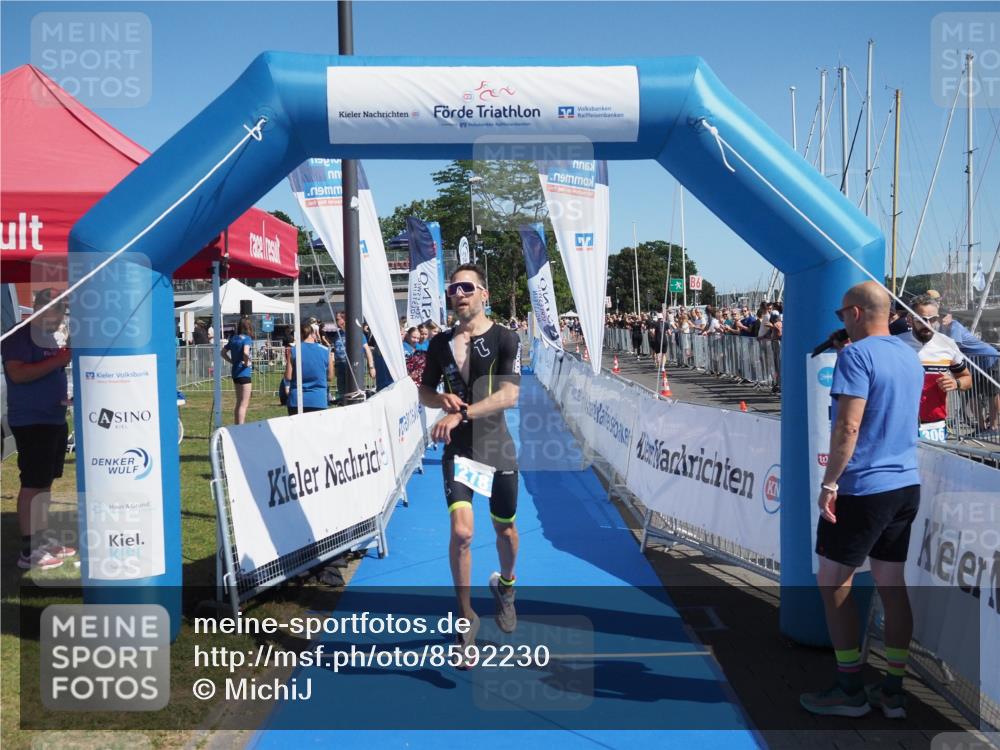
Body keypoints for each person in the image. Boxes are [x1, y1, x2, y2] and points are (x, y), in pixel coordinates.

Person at [800, 281, 924, 719]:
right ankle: (893, 689)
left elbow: (847, 429)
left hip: (864, 487)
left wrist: (829, 483)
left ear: (854, 313)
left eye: (841, 315)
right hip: (905, 484)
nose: (840, 323)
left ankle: (850, 687)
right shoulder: (908, 355)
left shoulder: (856, 356)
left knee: (832, 583)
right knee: (892, 585)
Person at [418, 263, 521, 662]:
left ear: (483, 294)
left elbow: (509, 395)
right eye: (452, 289)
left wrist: (461, 413)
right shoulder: (440, 344)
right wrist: (439, 400)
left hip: (497, 448)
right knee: (461, 533)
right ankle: (466, 619)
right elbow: (425, 389)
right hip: (459, 450)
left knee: (506, 530)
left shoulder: (505, 338)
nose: (457, 294)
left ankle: (507, 585)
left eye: (465, 287)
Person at [1, 289, 77, 570]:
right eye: (59, 311)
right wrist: (61, 358)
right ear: (43, 309)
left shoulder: (47, 337)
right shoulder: (20, 334)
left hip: (53, 417)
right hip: (32, 421)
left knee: (44, 484)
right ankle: (29, 550)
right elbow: (18, 373)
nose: (61, 318)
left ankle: (42, 540)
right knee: (33, 484)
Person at [896, 295, 972, 441]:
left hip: (934, 423)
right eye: (922, 319)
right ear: (910, 319)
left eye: (933, 319)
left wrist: (955, 383)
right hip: (901, 421)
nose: (928, 324)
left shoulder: (947, 344)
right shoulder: (896, 344)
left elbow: (967, 378)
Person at [285, 322, 334, 415]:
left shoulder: (294, 350)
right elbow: (330, 377)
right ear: (313, 334)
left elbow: (288, 376)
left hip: (297, 400)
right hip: (318, 399)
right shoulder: (325, 351)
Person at [330, 310, 376, 403]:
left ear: (344, 320)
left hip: (353, 368)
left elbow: (367, 350)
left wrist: (371, 367)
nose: (335, 321)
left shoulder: (356, 334)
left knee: (355, 392)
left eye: (337, 319)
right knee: (342, 393)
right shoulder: (337, 335)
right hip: (340, 368)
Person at [221, 316, 254, 425]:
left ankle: (237, 425)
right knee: (244, 403)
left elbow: (222, 352)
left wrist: (231, 361)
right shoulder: (247, 339)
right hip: (244, 372)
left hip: (235, 372)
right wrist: (246, 362)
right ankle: (241, 427)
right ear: (248, 327)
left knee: (239, 402)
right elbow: (245, 352)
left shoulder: (233, 339)